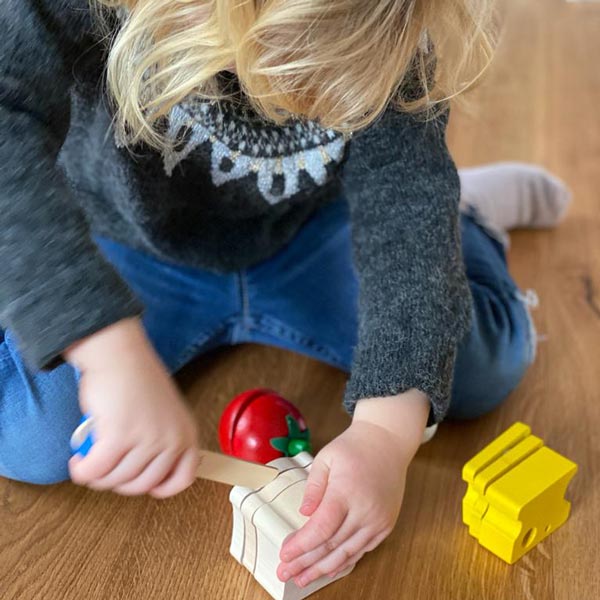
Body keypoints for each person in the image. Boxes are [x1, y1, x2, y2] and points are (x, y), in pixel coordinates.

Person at [0, 0, 571, 588]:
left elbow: (405, 206)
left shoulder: (380, 22)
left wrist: (386, 434)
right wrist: (104, 349)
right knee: (32, 439)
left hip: (310, 234)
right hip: (127, 247)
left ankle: (467, 216)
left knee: (478, 371)